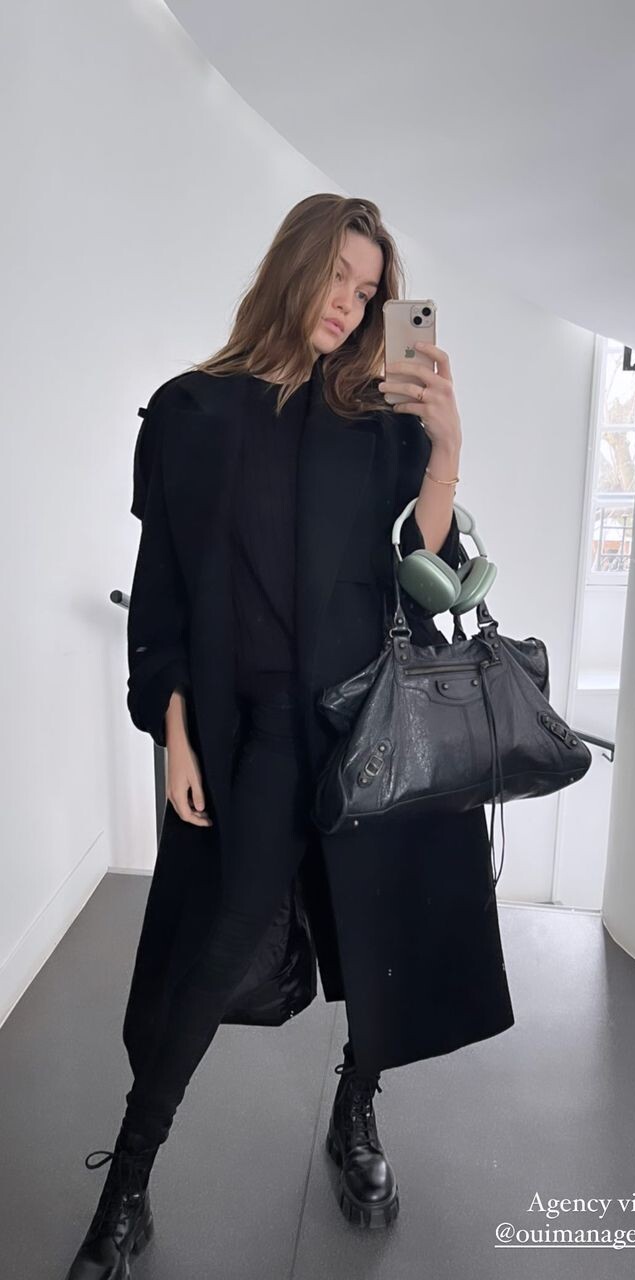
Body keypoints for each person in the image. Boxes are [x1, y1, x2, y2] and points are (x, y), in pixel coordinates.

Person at [64, 195, 513, 1278]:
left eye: (370, 291)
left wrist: (446, 448)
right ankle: (127, 1182)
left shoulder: (379, 424)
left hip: (373, 728)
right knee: (207, 958)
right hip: (254, 734)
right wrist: (174, 731)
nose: (350, 304)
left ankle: (356, 1108)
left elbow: (425, 575)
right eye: (338, 277)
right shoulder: (191, 412)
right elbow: (164, 599)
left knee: (378, 935)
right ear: (293, 264)